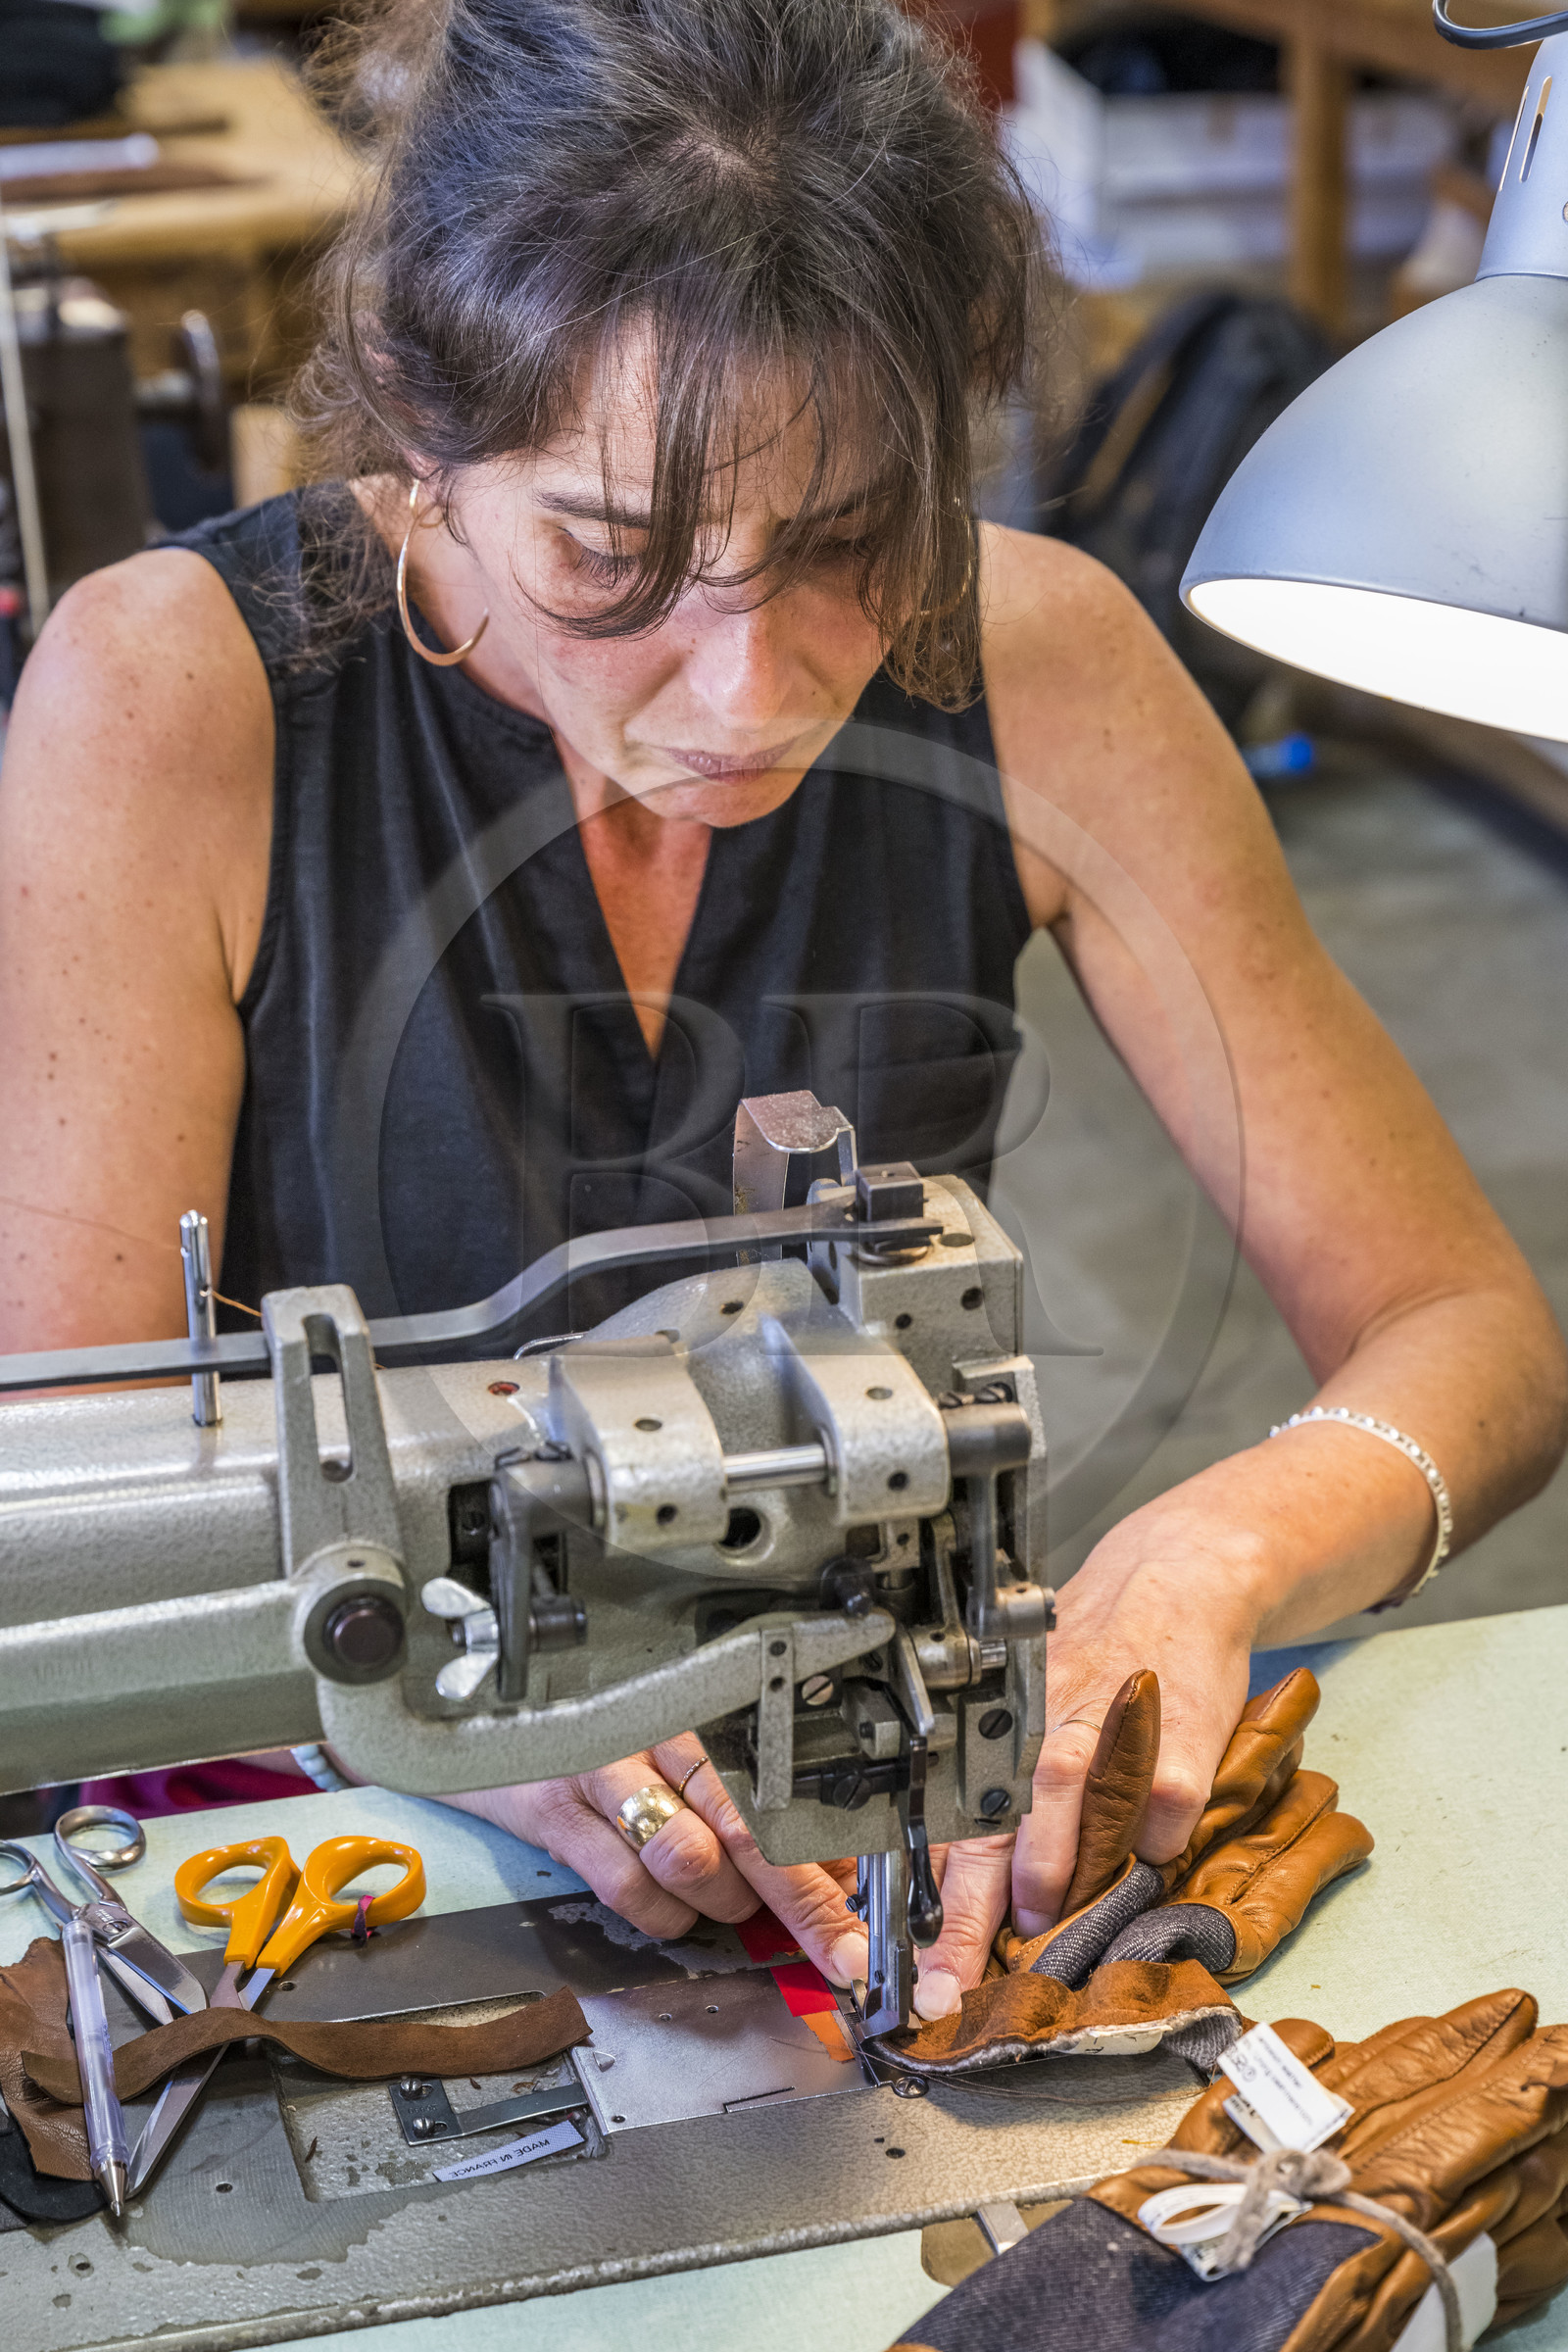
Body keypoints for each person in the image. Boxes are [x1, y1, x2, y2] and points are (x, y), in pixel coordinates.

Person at [1, 0, 1562, 2020]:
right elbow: (78, 1522)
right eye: (610, 555)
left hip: (857, 1800)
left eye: (845, 542)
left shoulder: (1040, 666)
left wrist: (1215, 1546)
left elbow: (1467, 1336)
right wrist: (463, 1700)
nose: (750, 695)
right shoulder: (169, 709)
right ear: (417, 434)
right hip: (323, 1825)